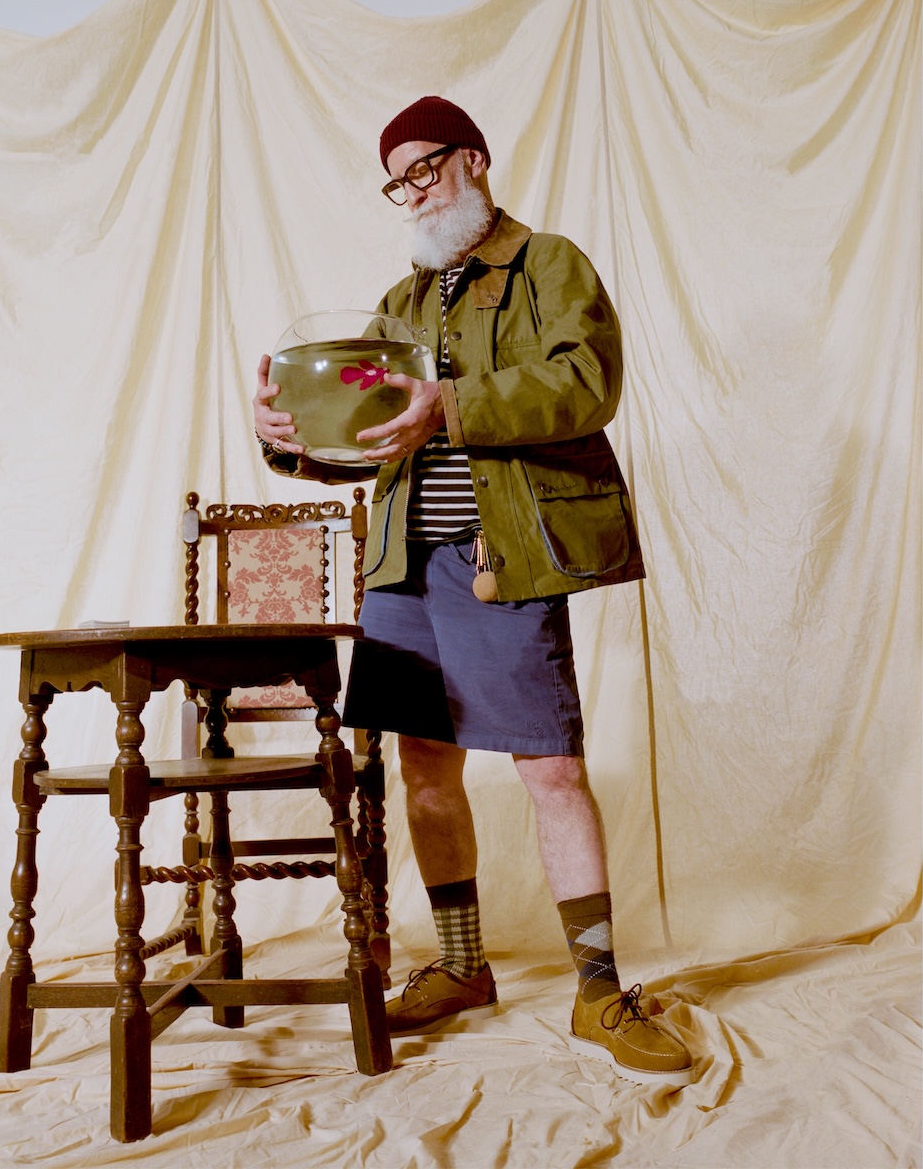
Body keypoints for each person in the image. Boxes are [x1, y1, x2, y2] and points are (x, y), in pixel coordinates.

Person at [252, 96, 693, 1088]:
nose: (412, 191)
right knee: (422, 765)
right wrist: (287, 438)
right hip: (401, 566)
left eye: (424, 167)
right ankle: (461, 967)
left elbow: (587, 382)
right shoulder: (400, 304)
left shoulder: (550, 265)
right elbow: (363, 434)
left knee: (549, 768)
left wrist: (448, 402)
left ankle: (597, 989)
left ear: (475, 159)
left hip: (501, 555)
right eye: (396, 181)